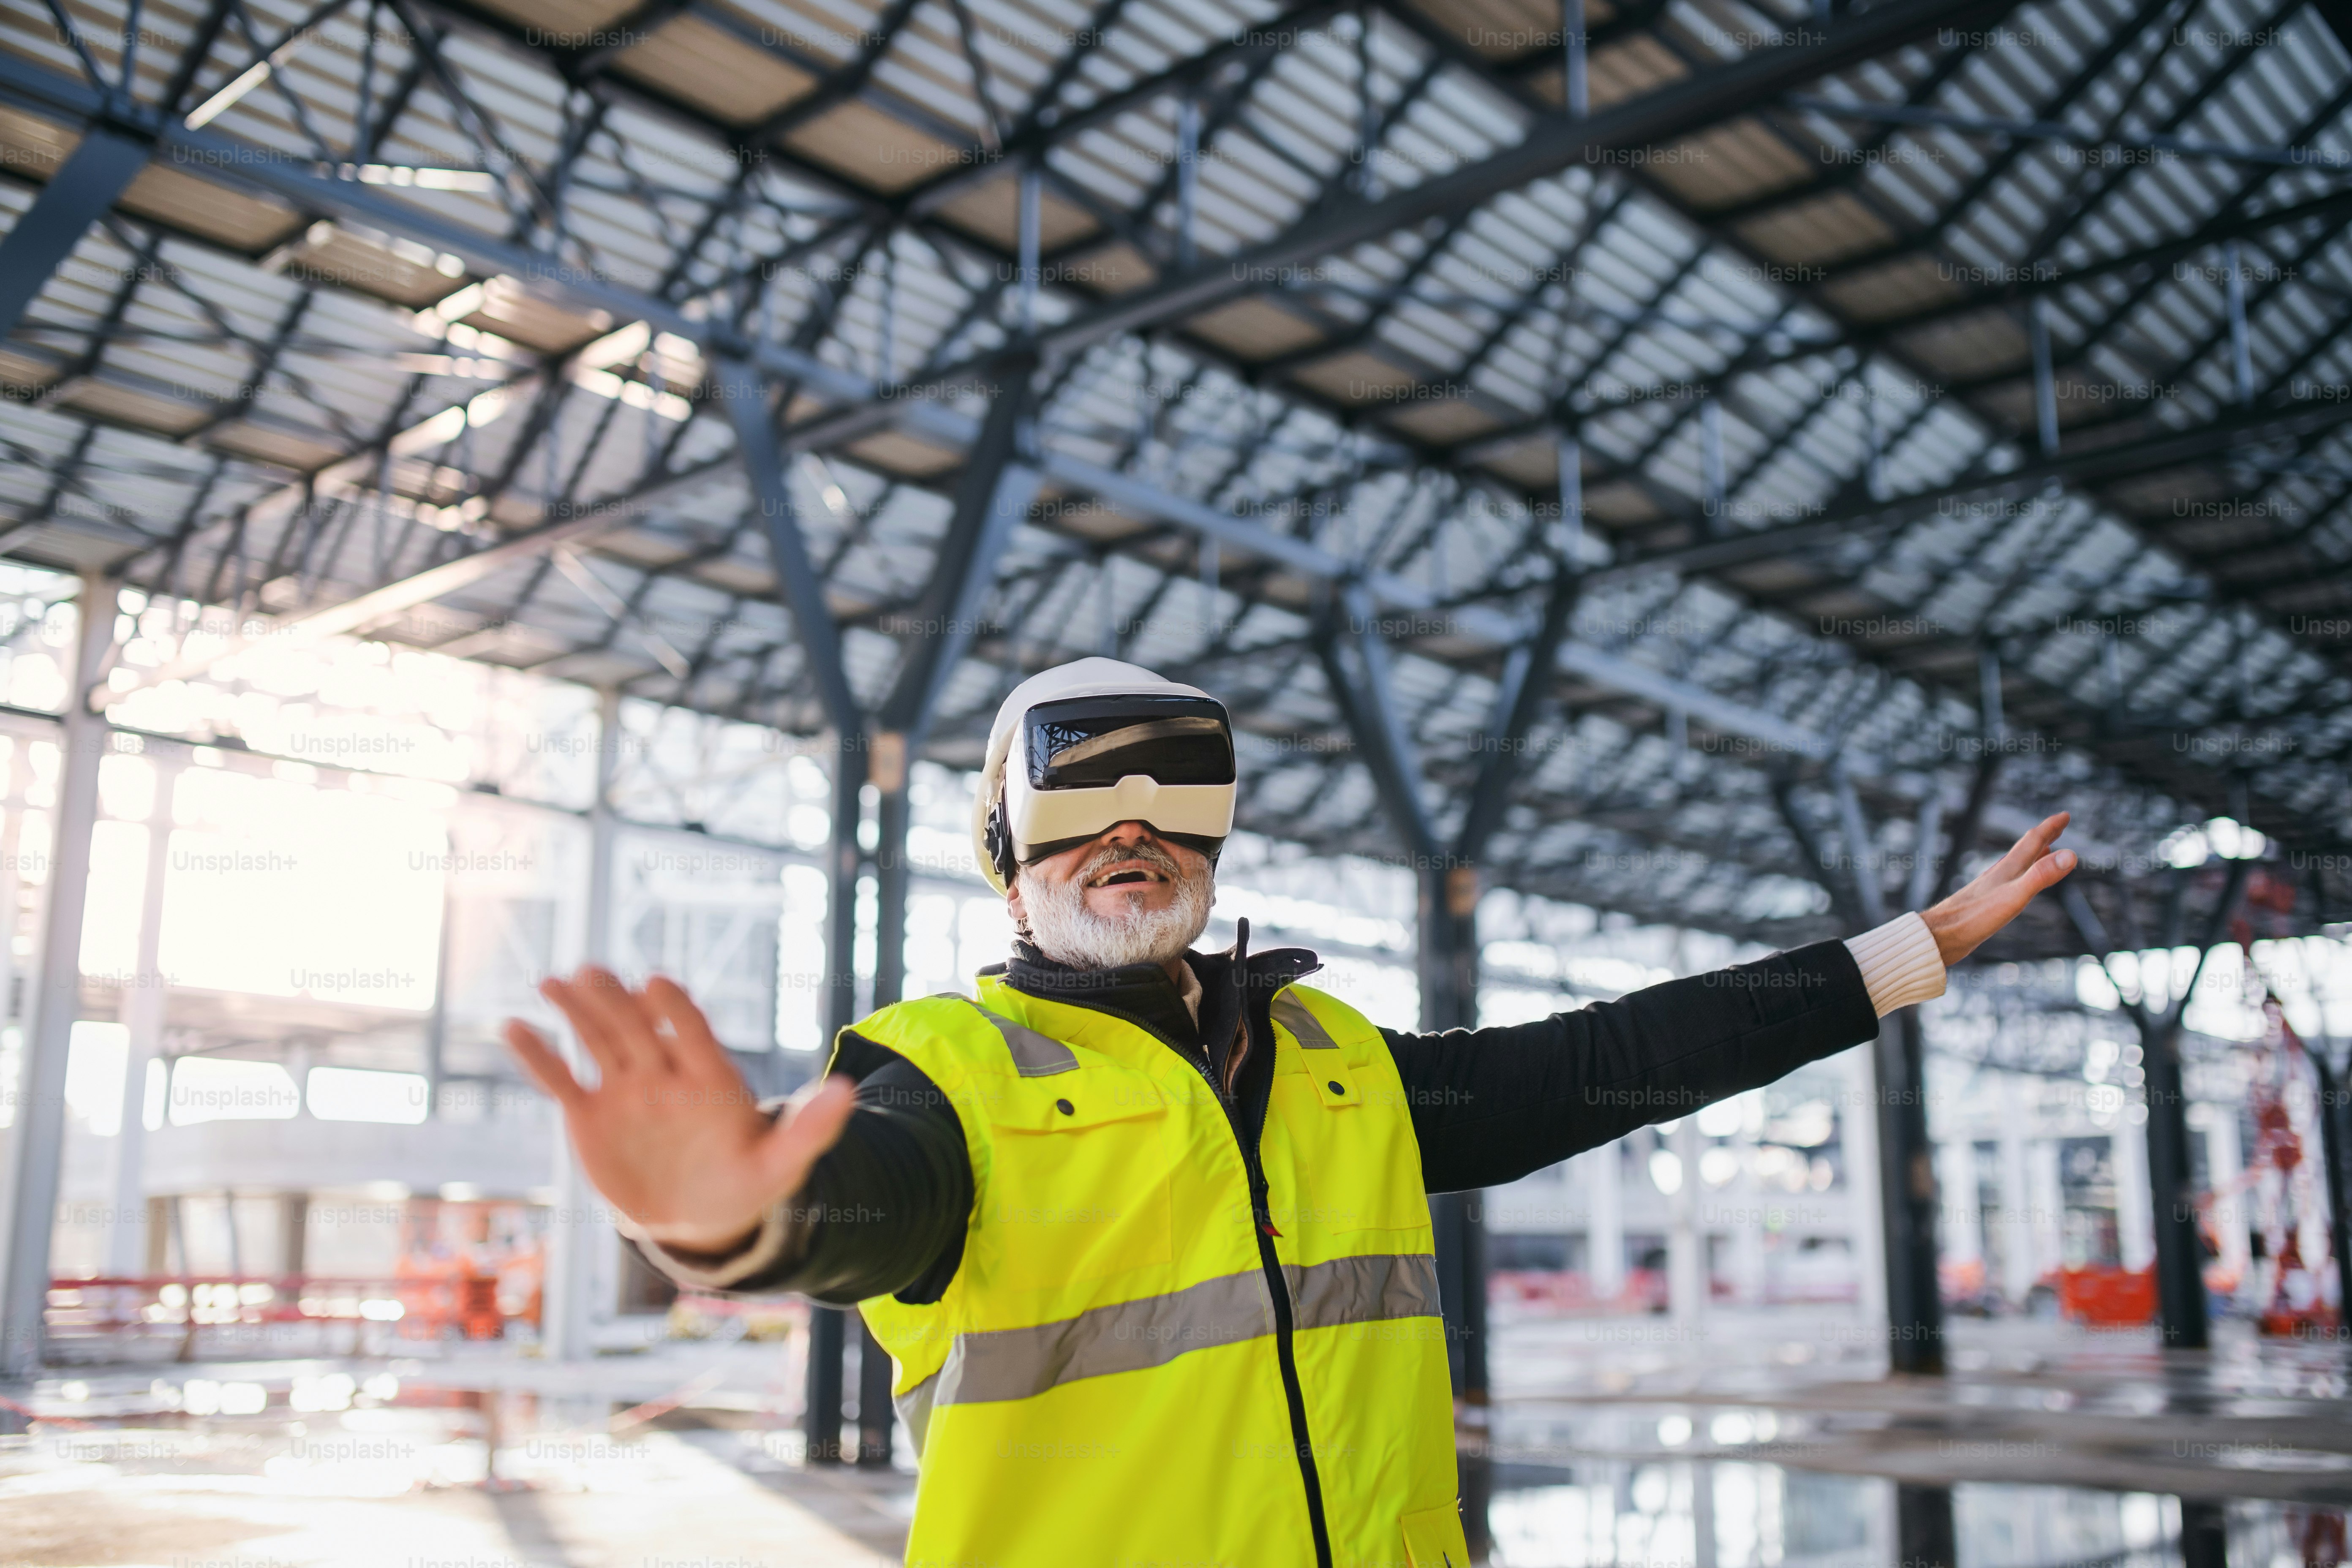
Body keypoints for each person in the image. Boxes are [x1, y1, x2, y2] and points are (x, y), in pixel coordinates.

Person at [507, 657, 2077, 1568]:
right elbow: (864, 1206)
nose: (1131, 831)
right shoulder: (942, 1076)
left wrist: (1897, 957)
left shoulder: (1338, 1066)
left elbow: (1605, 1058)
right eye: (1078, 809)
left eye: (1173, 799)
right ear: (1005, 853)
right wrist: (727, 1217)